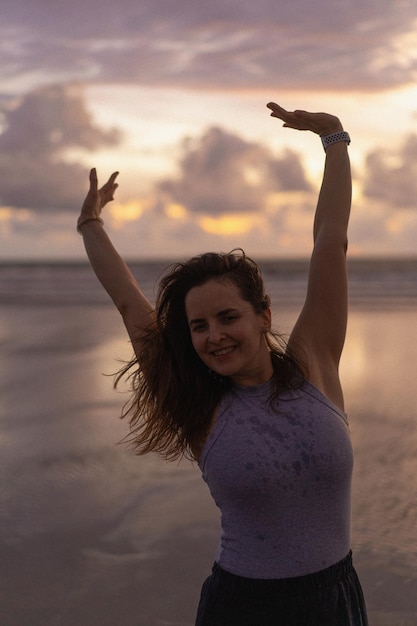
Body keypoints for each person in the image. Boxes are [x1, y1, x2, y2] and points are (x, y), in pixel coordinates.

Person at [77, 103, 368, 626]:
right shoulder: (197, 402)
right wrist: (91, 225)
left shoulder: (314, 366)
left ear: (263, 315)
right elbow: (128, 302)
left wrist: (334, 138)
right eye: (199, 326)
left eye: (228, 317)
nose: (214, 336)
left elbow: (330, 246)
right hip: (244, 608)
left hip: (335, 602)